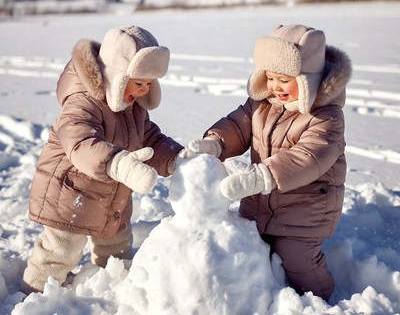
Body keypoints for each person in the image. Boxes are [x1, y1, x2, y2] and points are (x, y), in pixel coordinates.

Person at [188, 24, 352, 300]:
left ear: (307, 79)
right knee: (252, 247)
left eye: (284, 79)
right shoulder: (263, 102)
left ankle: (321, 298)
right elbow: (238, 126)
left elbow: (308, 157)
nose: (275, 87)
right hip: (261, 204)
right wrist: (216, 142)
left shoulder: (326, 118)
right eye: (271, 77)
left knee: (296, 259)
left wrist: (261, 177)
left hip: (306, 207)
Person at [21, 25, 183, 294]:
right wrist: (118, 163)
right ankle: (32, 296)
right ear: (117, 74)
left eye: (149, 84)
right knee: (59, 252)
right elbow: (80, 141)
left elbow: (150, 138)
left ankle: (112, 288)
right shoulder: (83, 102)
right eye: (139, 82)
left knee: (117, 246)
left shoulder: (132, 107)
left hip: (112, 196)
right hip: (71, 193)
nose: (143, 90)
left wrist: (177, 158)